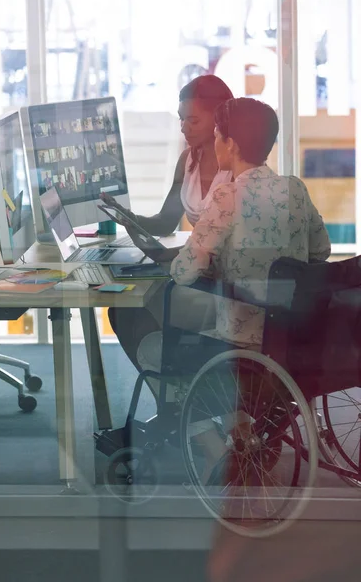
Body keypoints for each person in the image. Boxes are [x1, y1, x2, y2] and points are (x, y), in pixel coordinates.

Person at [135, 97, 331, 478]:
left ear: (231, 144)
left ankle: (213, 450)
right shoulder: (295, 189)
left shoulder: (228, 196)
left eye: (218, 135)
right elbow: (320, 253)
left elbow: (184, 273)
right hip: (291, 335)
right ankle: (240, 427)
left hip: (240, 344)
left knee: (153, 347)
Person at [101, 74, 234, 370]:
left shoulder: (238, 167)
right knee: (123, 309)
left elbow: (229, 243)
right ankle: (174, 392)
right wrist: (128, 217)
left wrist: (166, 256)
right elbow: (164, 221)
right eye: (181, 120)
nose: (184, 128)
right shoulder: (187, 160)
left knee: (128, 311)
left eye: (193, 121)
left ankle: (177, 393)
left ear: (219, 120)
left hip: (223, 283)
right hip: (195, 269)